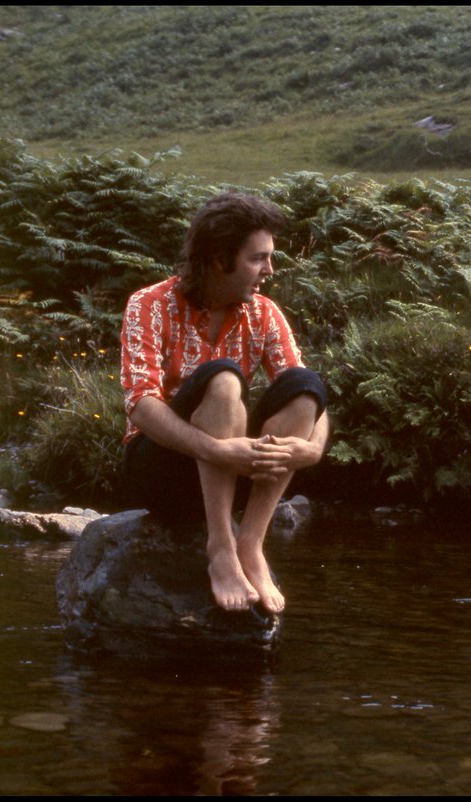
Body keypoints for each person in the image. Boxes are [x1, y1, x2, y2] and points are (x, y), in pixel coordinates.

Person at [119, 191, 329, 614]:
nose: (269, 270)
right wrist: (215, 449)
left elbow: (310, 398)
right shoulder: (149, 304)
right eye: (258, 258)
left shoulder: (264, 313)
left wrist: (313, 448)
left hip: (233, 472)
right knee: (223, 375)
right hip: (160, 472)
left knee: (304, 383)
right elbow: (140, 403)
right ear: (219, 259)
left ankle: (250, 542)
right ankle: (220, 547)